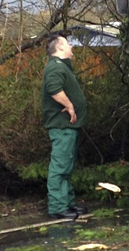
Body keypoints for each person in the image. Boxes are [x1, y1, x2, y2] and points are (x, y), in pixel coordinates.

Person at [41, 34, 88, 219]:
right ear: (59, 47)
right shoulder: (55, 67)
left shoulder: (62, 67)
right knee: (60, 166)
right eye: (68, 44)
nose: (72, 47)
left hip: (68, 127)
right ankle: (58, 207)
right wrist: (69, 106)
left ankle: (68, 203)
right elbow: (53, 88)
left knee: (66, 166)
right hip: (61, 126)